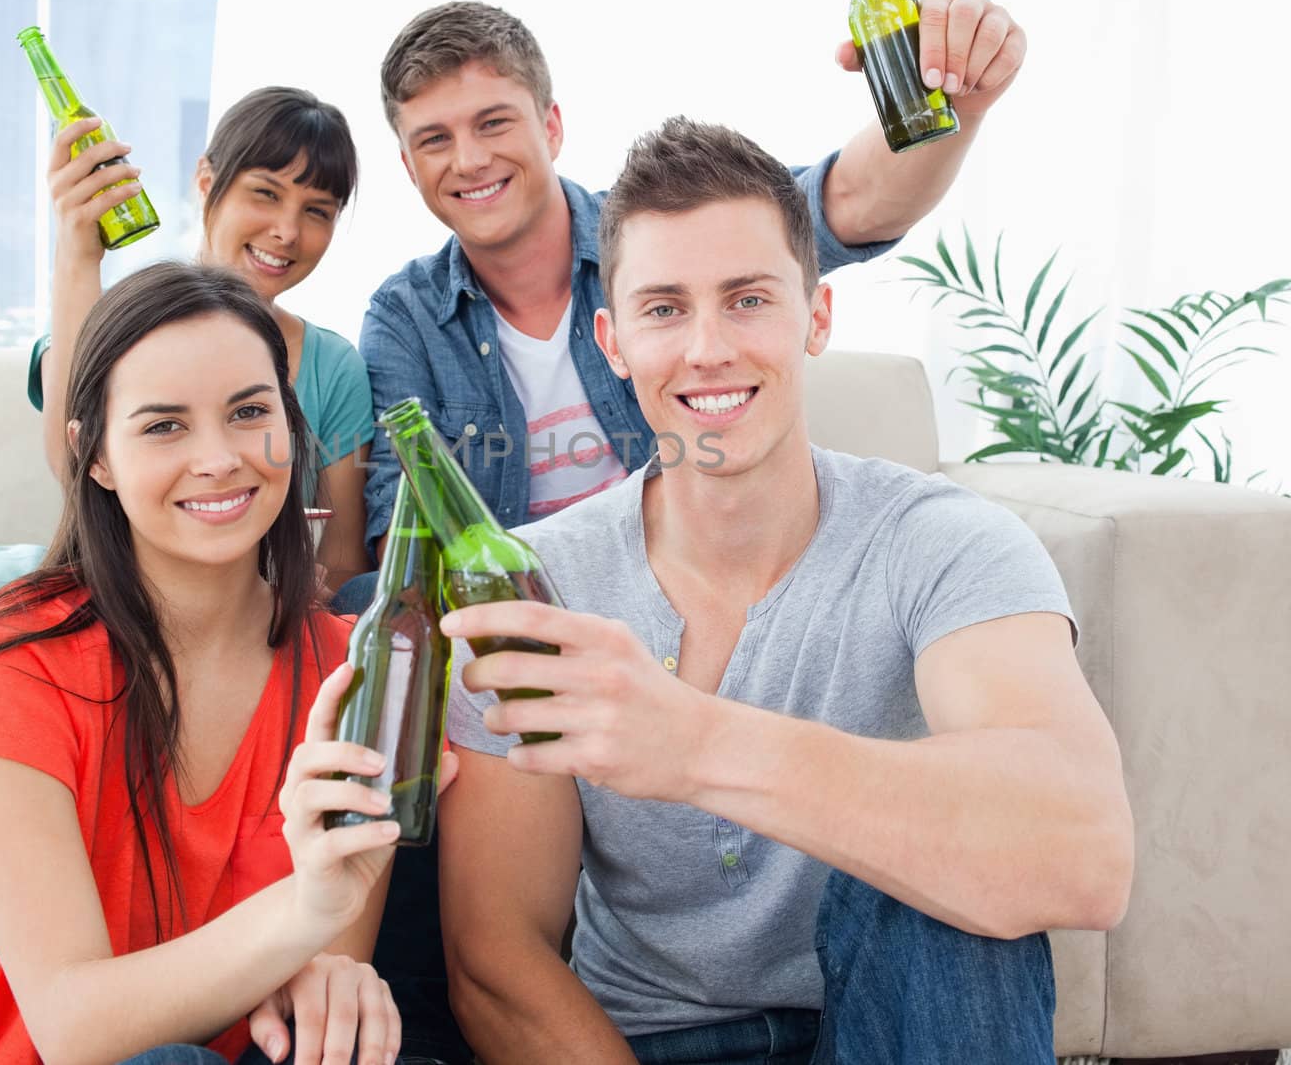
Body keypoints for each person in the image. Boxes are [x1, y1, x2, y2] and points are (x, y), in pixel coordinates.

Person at [435, 118, 1134, 1064]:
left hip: (902, 1026)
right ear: (613, 341)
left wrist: (694, 742)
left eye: (749, 298)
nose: (709, 348)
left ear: (818, 316)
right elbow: (497, 959)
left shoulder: (944, 544)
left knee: (942, 886)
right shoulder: (541, 582)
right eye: (665, 309)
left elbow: (1086, 852)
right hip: (645, 1046)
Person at [0, 90, 384, 1065]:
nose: (221, 457)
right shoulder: (10, 671)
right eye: (164, 426)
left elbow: (328, 974)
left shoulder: (348, 677)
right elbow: (75, 1029)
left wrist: (333, 965)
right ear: (94, 456)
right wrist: (308, 913)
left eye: (250, 413)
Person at [354, 0, 1028, 570]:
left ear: (551, 127)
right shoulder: (404, 317)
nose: (469, 160)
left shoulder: (660, 239)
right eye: (434, 140)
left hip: (695, 602)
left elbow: (847, 201)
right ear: (409, 166)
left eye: (493, 122)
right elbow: (405, 542)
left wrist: (958, 107)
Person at [37, 86, 374, 594]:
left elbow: (346, 557)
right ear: (205, 180)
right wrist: (77, 253)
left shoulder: (333, 365)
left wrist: (301, 602)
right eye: (266, 193)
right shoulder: (118, 332)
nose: (286, 231)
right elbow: (74, 466)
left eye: (317, 211)